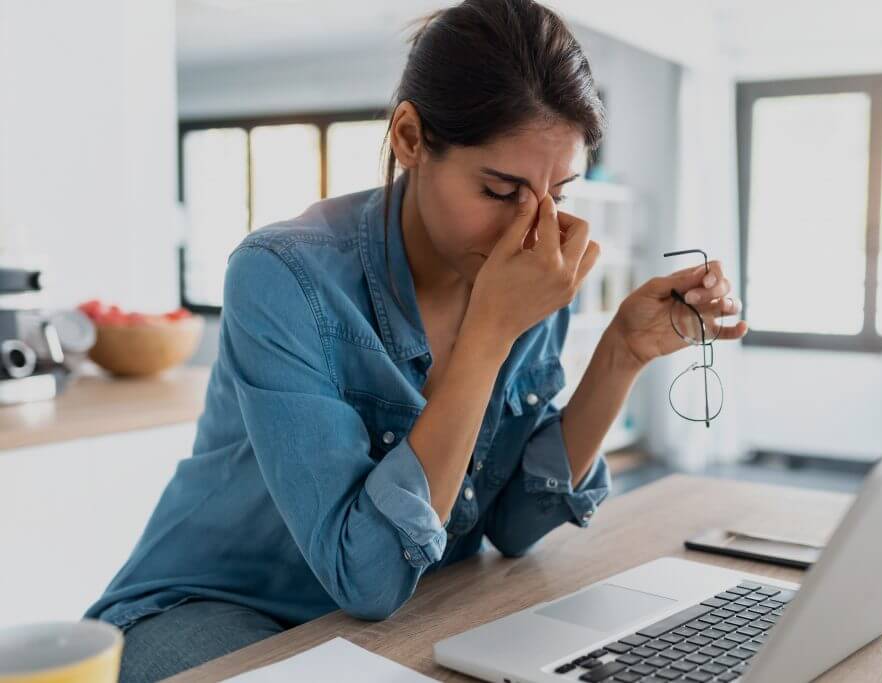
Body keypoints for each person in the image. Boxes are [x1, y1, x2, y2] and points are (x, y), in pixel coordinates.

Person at [85, 0, 747, 680]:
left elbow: (515, 524)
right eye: (500, 188)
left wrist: (621, 354)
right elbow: (365, 575)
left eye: (560, 192)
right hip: (211, 607)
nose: (535, 228)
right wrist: (488, 335)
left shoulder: (523, 273)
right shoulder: (283, 275)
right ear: (408, 136)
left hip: (388, 615)